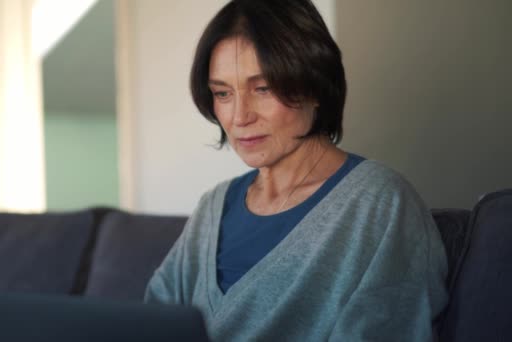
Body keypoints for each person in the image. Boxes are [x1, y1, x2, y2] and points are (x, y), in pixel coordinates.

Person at [144, 0, 448, 341]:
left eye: (263, 88)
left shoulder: (380, 203)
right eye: (223, 93)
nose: (240, 116)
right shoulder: (213, 207)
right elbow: (151, 322)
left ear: (315, 86)